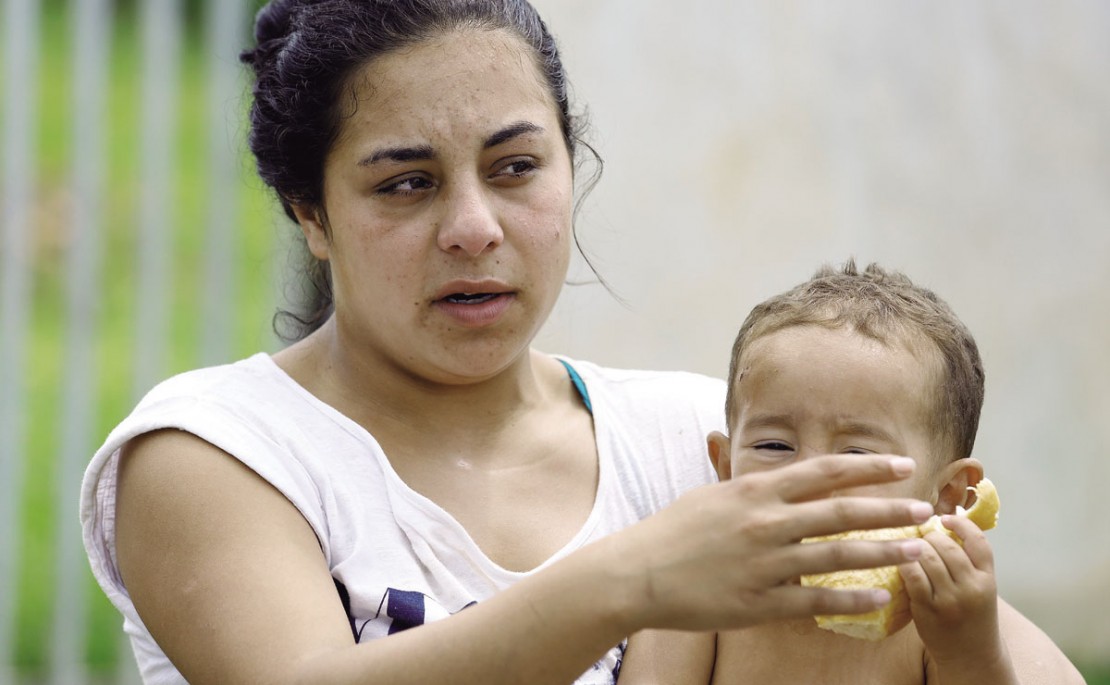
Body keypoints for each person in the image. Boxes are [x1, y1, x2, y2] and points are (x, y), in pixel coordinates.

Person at [80, 3, 1008, 683]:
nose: (474, 226)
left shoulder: (709, 438)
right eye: (406, 183)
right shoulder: (216, 453)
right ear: (310, 213)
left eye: (516, 167)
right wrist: (630, 580)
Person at [619, 260, 1086, 684]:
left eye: (857, 455)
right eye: (774, 445)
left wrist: (971, 658)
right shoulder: (696, 605)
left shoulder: (951, 627)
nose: (808, 479)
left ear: (946, 495)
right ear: (725, 468)